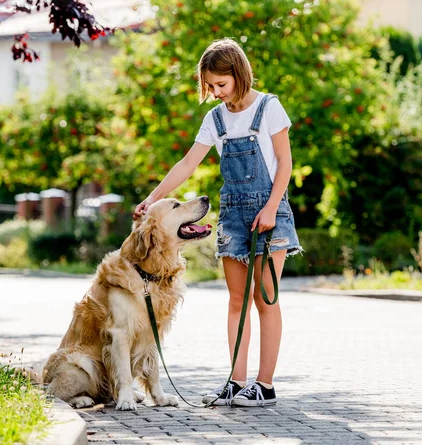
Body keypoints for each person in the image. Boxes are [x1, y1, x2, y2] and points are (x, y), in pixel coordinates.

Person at [133, 38, 302, 407]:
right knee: (236, 300)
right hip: (233, 216)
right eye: (210, 86)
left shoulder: (269, 108)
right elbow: (187, 165)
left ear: (239, 75)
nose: (216, 93)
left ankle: (265, 385)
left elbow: (285, 164)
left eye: (221, 85)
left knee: (265, 299)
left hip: (269, 213)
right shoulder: (215, 118)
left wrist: (272, 207)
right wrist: (150, 200)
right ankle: (237, 382)